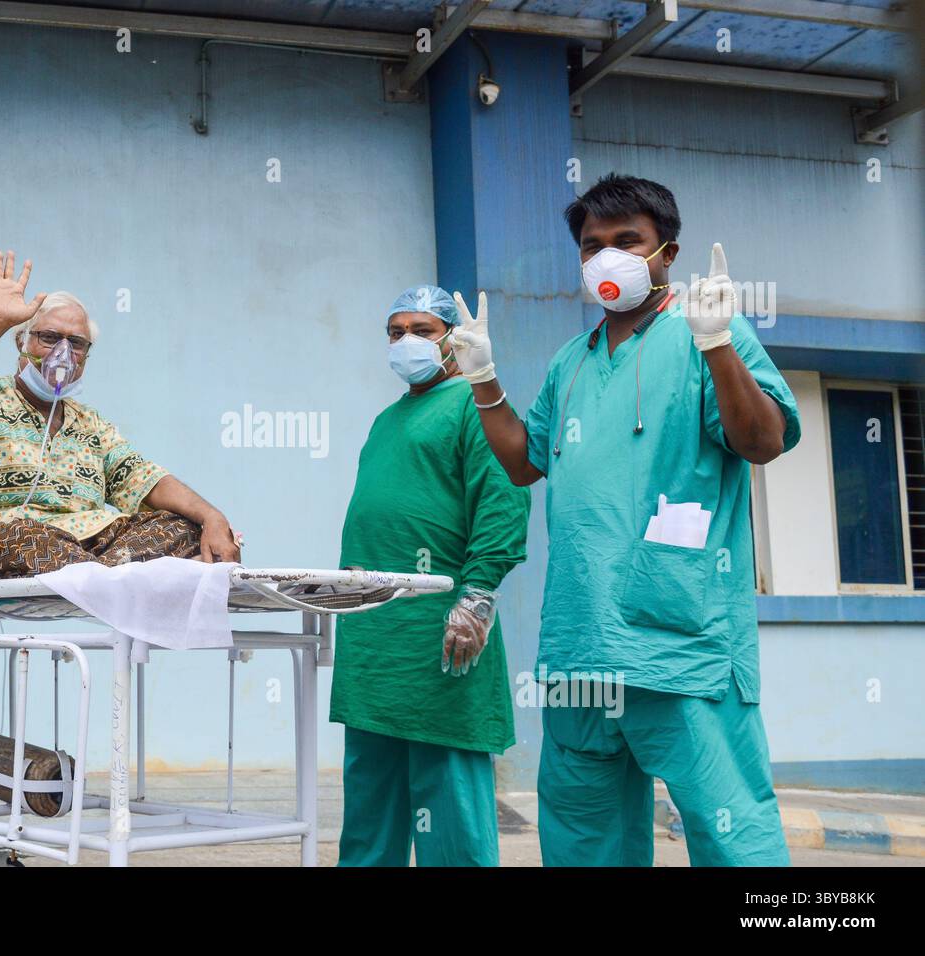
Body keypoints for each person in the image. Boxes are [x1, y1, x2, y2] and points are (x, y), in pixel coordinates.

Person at [448, 174, 801, 866]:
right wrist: (485, 380)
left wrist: (718, 345)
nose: (605, 257)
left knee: (730, 831)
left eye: (625, 242)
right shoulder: (570, 363)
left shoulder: (708, 337)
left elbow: (762, 441)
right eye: (591, 246)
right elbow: (525, 463)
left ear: (666, 252)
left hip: (682, 640)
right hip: (584, 644)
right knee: (584, 837)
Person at [331, 284, 530, 867]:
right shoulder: (386, 421)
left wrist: (476, 600)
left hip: (440, 629)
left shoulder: (476, 406)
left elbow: (502, 503)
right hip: (374, 634)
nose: (406, 342)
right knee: (370, 805)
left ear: (453, 339)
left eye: (422, 330)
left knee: (449, 803)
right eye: (395, 332)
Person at [0, 251, 240, 580]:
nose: (63, 353)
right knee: (24, 536)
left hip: (86, 548)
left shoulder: (91, 425)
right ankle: (122, 580)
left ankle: (100, 580)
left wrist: (212, 518)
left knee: (187, 527)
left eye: (77, 343)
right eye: (49, 338)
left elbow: (144, 479)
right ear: (20, 342)